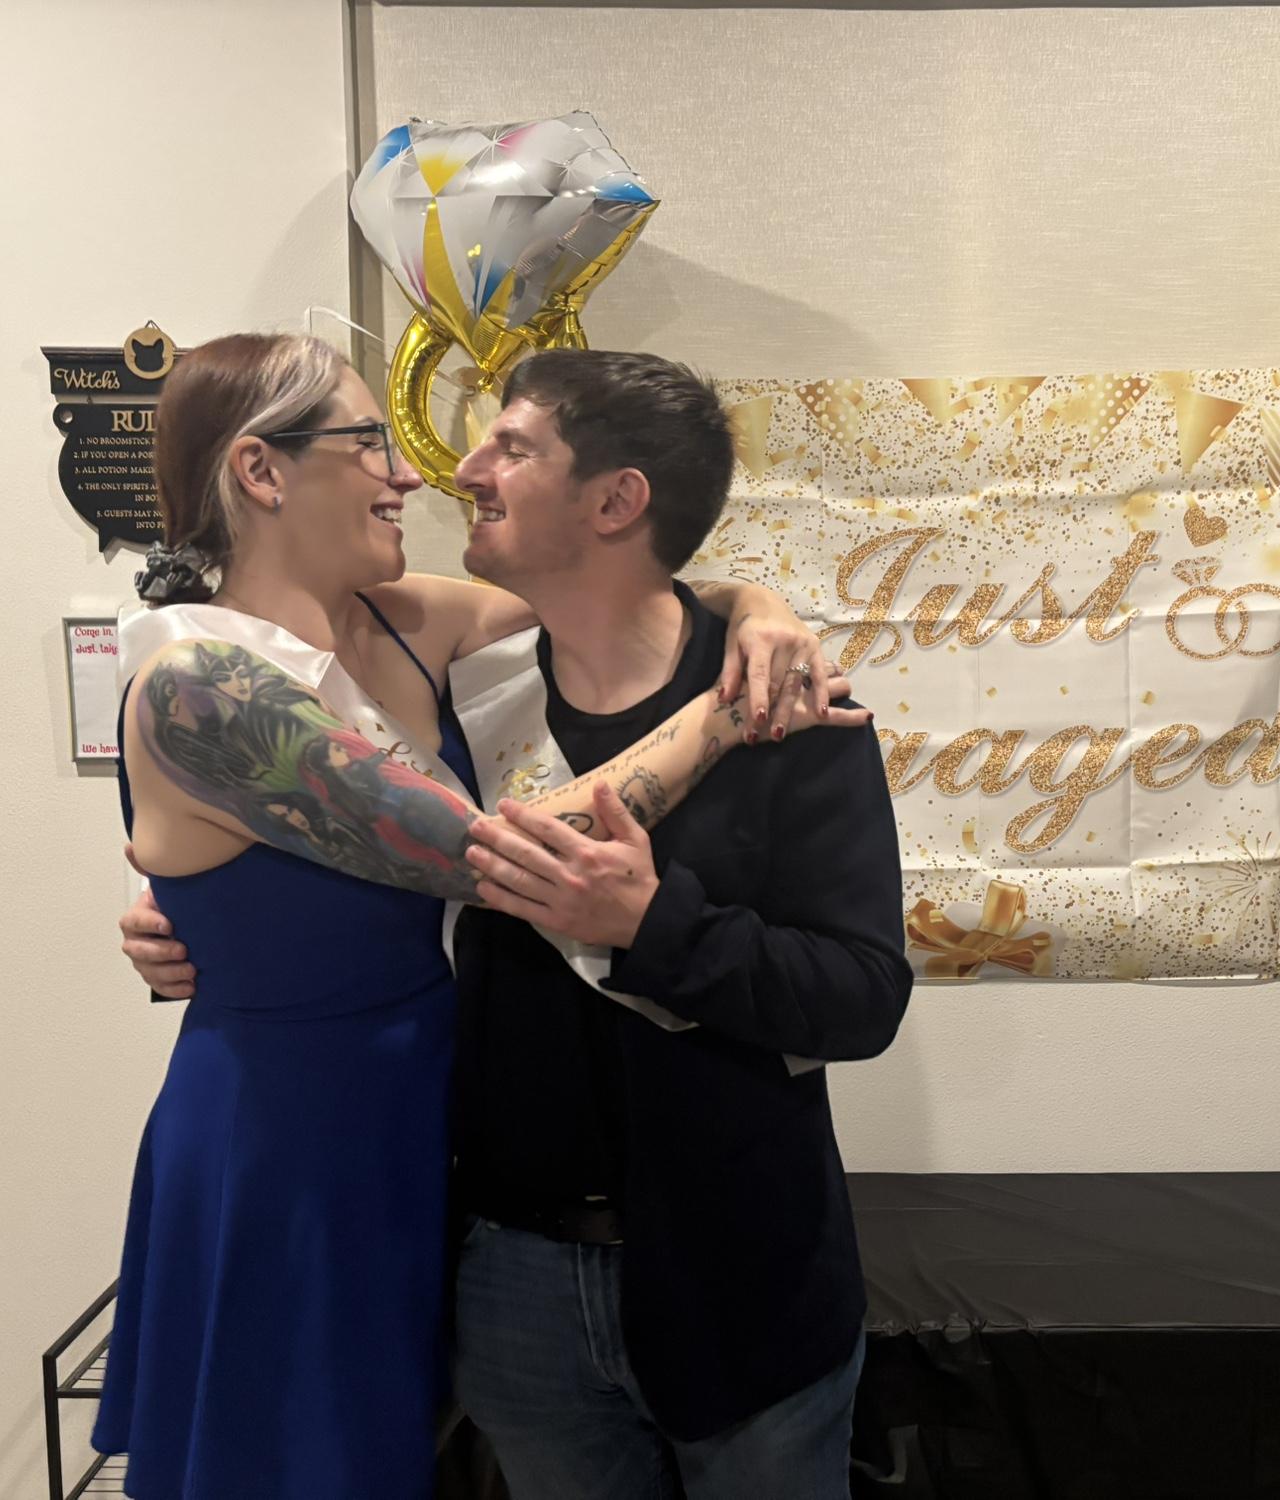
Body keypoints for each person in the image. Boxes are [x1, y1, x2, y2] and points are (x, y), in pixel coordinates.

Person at [98, 332, 861, 1500]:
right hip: (294, 1142)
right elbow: (493, 858)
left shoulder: (404, 623)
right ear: (260, 471)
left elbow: (625, 578)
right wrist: (724, 718)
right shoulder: (201, 681)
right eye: (370, 441)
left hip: (432, 1141)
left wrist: (764, 609)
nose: (413, 472)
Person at [435, 350, 914, 1497]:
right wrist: (199, 927)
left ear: (616, 501)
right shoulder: (461, 696)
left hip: (744, 1274)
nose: (466, 468)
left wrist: (656, 924)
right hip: (515, 1283)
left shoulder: (790, 709)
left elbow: (863, 996)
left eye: (513, 447)